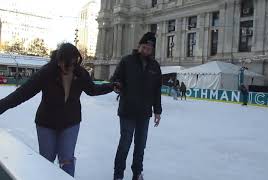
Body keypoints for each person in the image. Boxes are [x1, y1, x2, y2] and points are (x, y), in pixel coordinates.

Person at [0, 43, 116, 177]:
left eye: (72, 64)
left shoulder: (80, 73)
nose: (67, 67)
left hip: (70, 123)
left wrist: (111, 86)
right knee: (46, 160)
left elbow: (92, 90)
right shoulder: (47, 72)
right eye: (64, 63)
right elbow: (23, 92)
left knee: (67, 160)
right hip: (46, 123)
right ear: (59, 60)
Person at [110, 32, 162, 180]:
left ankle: (137, 173)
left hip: (144, 113)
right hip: (127, 111)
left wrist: (157, 111)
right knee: (125, 144)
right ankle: (118, 174)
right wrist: (117, 85)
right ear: (139, 46)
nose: (146, 51)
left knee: (140, 146)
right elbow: (115, 79)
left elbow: (157, 90)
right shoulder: (127, 61)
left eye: (149, 49)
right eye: (144, 47)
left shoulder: (154, 66)